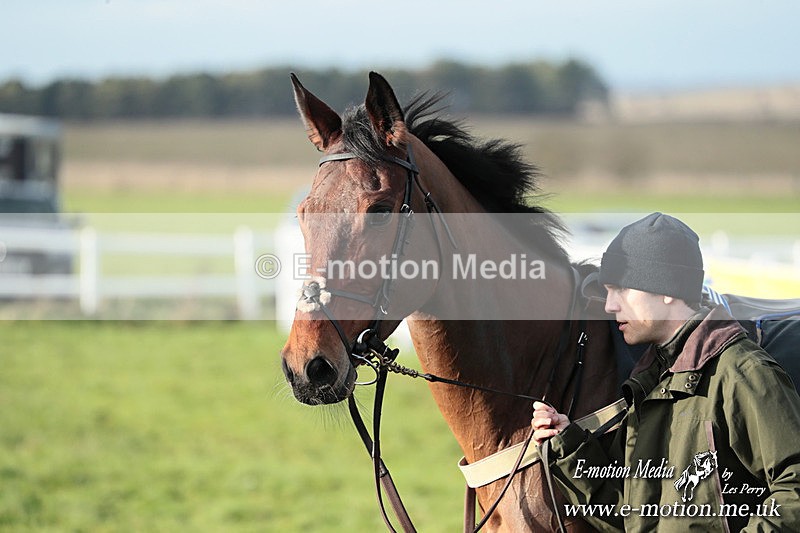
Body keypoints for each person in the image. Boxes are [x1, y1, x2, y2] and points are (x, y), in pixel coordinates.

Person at [532, 212, 800, 532]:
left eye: (621, 290)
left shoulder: (741, 373)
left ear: (667, 289)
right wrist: (568, 445)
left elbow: (794, 489)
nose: (610, 305)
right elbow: (632, 513)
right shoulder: (651, 383)